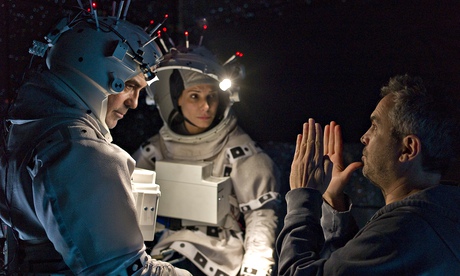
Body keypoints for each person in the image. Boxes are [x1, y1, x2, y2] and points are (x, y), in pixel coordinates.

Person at [0, 5, 191, 275]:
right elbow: (124, 270)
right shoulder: (80, 152)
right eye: (129, 85)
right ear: (97, 73)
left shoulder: (24, 131)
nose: (134, 103)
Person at [276, 74, 460, 275]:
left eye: (375, 126)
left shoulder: (401, 231)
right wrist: (334, 200)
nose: (364, 137)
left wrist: (302, 198)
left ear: (408, 149)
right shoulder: (435, 218)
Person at [132, 45, 281, 276]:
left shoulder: (239, 150)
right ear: (176, 100)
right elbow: (129, 208)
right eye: (195, 96)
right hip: (164, 253)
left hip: (220, 259)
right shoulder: (154, 150)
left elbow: (260, 215)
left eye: (212, 96)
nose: (206, 106)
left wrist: (255, 270)